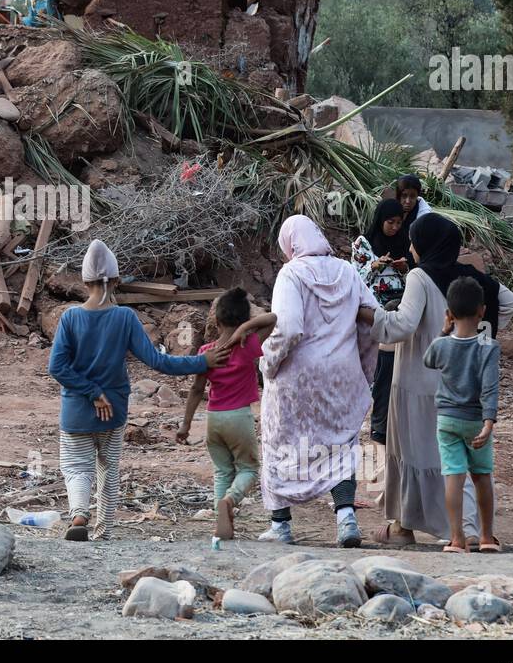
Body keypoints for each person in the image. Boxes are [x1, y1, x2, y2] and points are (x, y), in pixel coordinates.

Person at [48, 239, 232, 541]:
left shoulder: (70, 318)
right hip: (115, 410)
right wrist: (202, 362)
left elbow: (57, 368)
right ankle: (104, 532)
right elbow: (157, 361)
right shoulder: (124, 318)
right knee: (108, 470)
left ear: (84, 281)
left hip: (77, 411)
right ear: (117, 280)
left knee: (77, 467)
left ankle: (79, 514)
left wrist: (92, 392)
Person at [365, 213, 513, 548]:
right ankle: (466, 530)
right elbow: (510, 302)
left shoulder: (420, 276)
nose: (409, 247)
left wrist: (370, 315)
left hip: (418, 383)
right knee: (459, 463)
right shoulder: (471, 277)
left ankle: (403, 527)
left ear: (425, 243)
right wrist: (479, 333)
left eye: (413, 241)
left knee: (414, 456)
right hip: (463, 390)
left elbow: (402, 325)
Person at [258, 215, 379, 547]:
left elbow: (290, 327)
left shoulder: (291, 274)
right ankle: (346, 518)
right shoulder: (348, 271)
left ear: (291, 243)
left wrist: (267, 361)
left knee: (280, 440)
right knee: (340, 444)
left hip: (297, 376)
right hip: (341, 374)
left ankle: (281, 526)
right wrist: (363, 365)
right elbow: (372, 318)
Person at [177, 288, 278, 540]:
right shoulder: (247, 345)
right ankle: (230, 501)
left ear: (216, 321)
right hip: (239, 418)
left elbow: (196, 389)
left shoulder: (206, 352)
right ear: (243, 319)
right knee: (249, 469)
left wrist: (185, 425)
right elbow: (273, 318)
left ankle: (220, 523)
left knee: (222, 470)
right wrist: (246, 328)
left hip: (213, 419)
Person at [423, 276, 501, 554]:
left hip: (446, 421)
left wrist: (444, 331)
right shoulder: (488, 347)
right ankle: (487, 538)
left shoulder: (441, 346)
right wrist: (488, 423)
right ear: (482, 310)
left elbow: (427, 360)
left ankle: (456, 540)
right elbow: (490, 388)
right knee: (482, 477)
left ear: (449, 314)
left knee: (453, 478)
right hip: (476, 422)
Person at [351, 198, 408, 446]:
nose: (394, 227)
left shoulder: (404, 241)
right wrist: (375, 264)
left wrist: (403, 266)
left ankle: (389, 416)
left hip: (399, 307)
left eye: (398, 223)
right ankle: (373, 416)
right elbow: (355, 275)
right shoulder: (362, 243)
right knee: (377, 362)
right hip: (373, 310)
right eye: (390, 222)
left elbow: (412, 271)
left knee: (394, 362)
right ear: (380, 220)